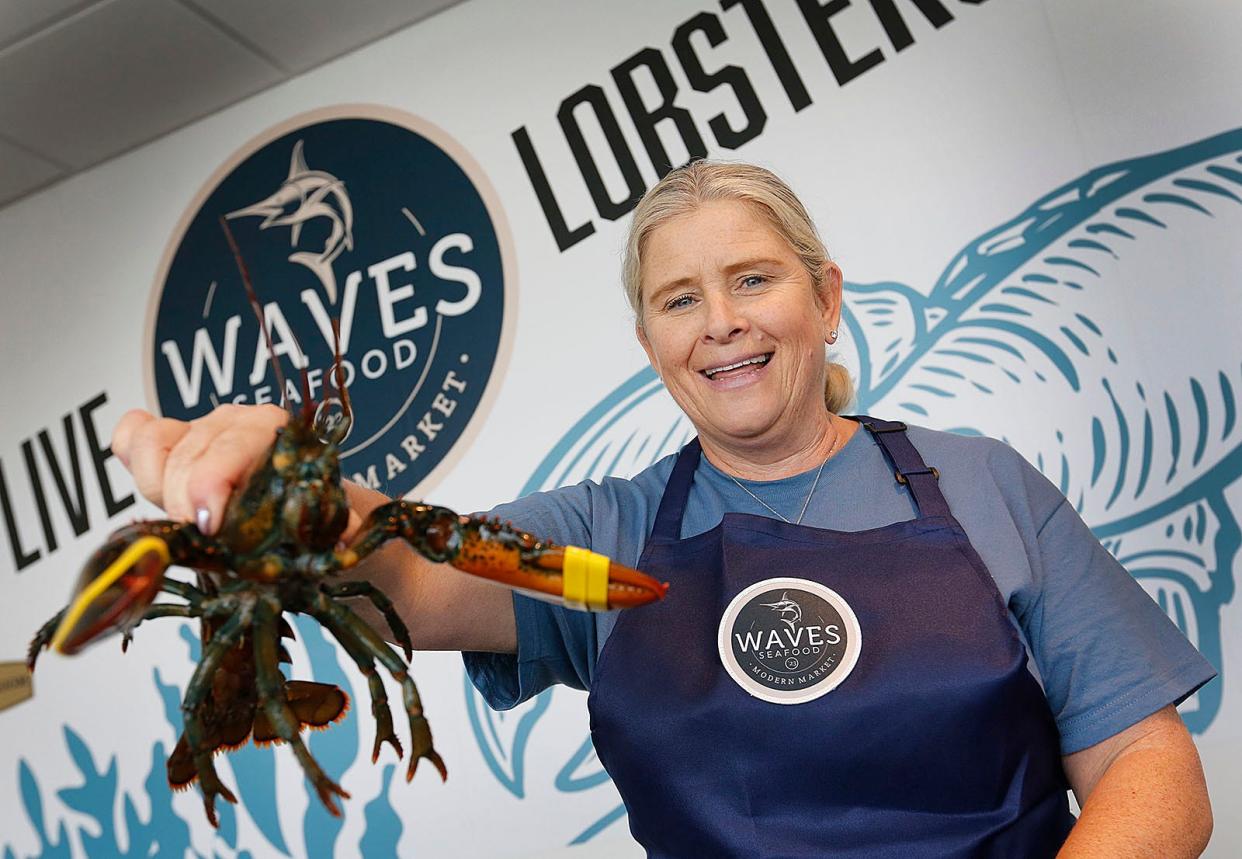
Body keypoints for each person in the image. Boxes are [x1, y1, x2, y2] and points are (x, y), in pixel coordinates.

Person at [114, 161, 1215, 857]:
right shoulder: (604, 533)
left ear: (825, 299)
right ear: (650, 346)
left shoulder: (981, 485)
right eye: (679, 300)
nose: (721, 323)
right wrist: (298, 501)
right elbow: (413, 576)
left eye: (753, 280)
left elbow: (1146, 770)